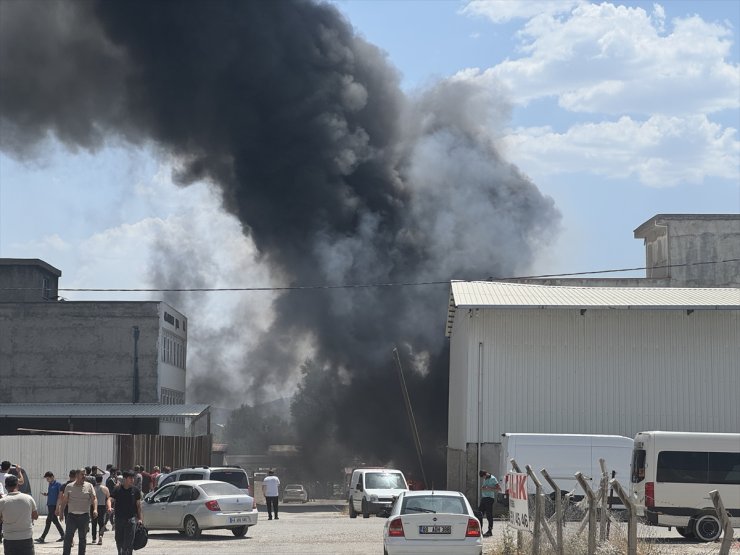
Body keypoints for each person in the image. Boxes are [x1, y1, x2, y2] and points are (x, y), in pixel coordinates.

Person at [57, 469, 97, 555]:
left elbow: (94, 499)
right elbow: (64, 501)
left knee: (82, 538)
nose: (84, 476)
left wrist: (95, 509)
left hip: (84, 516)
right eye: (82, 474)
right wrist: (61, 512)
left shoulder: (89, 486)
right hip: (72, 516)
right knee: (68, 538)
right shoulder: (69, 486)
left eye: (85, 474)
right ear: (77, 475)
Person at [0, 474, 38, 555]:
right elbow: (35, 516)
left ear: (5, 486)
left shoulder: (2, 502)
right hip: (26, 537)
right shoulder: (28, 498)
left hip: (9, 538)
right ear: (18, 485)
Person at [108, 470, 142, 555]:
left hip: (131, 520)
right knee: (119, 540)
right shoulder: (117, 489)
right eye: (130, 478)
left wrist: (140, 519)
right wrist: (109, 507)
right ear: (125, 479)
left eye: (133, 478)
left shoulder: (136, 490)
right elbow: (110, 499)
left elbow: (138, 506)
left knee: (129, 542)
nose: (132, 480)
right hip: (119, 520)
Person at [35, 472, 65, 543]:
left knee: (48, 521)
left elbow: (60, 496)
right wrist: (46, 494)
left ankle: (42, 537)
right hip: (50, 505)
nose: (47, 480)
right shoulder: (50, 484)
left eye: (48, 478)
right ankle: (63, 535)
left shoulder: (58, 484)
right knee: (55, 521)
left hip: (54, 506)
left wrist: (58, 507)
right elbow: (51, 493)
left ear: (52, 477)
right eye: (46, 479)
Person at [478, 470, 500, 537]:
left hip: (489, 498)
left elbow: (498, 488)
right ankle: (479, 530)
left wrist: (488, 488)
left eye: (483, 477)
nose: (483, 478)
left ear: (485, 474)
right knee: (479, 514)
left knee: (489, 515)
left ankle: (489, 531)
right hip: (484, 498)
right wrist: (483, 488)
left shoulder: (493, 478)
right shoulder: (486, 478)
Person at [91, 476, 110, 545]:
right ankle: (101, 535)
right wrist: (108, 507)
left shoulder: (93, 488)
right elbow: (108, 498)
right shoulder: (105, 488)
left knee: (94, 522)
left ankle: (94, 538)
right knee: (101, 522)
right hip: (102, 506)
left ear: (96, 480)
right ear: (102, 480)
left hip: (93, 507)